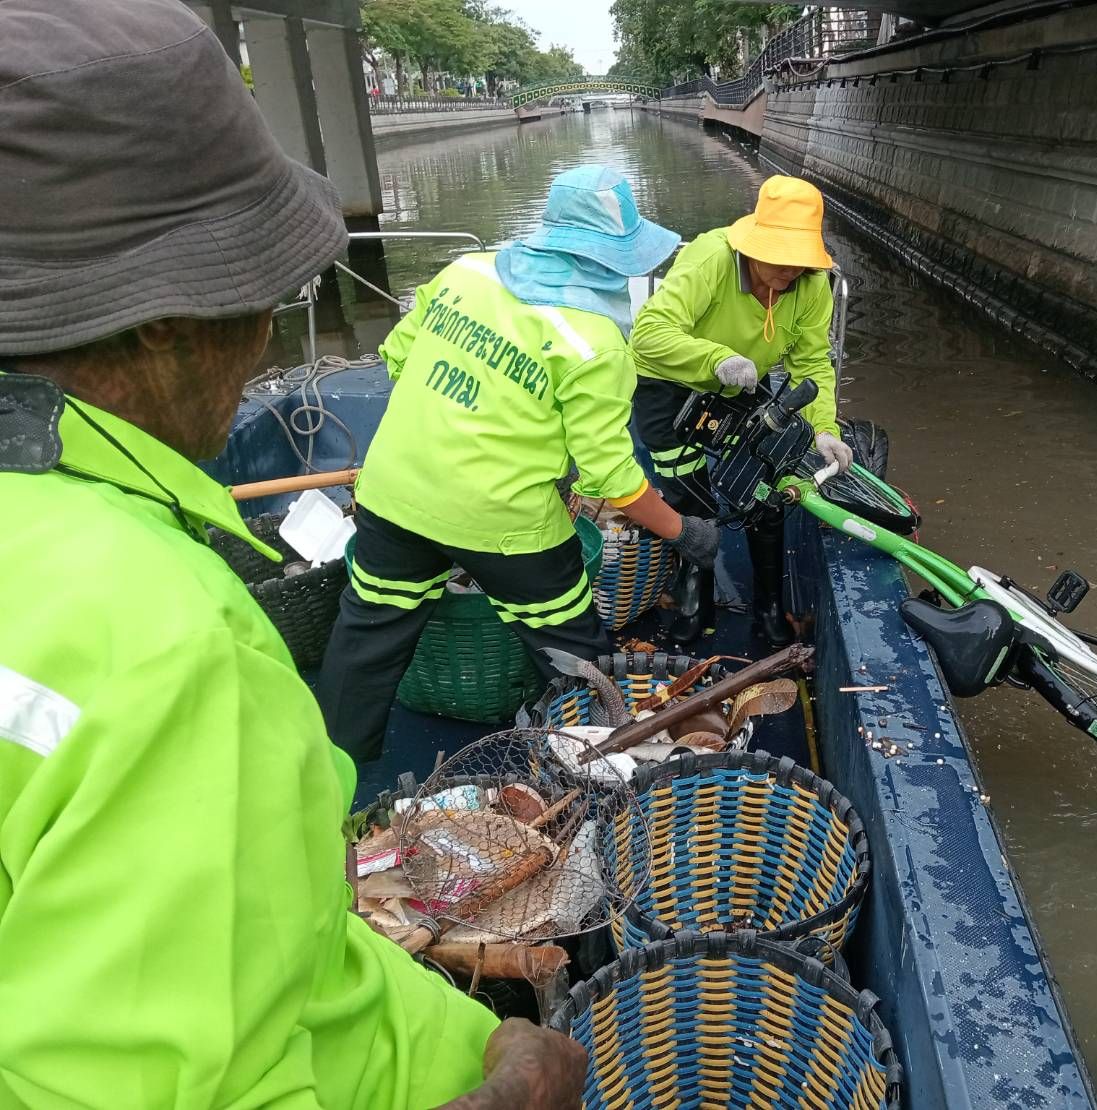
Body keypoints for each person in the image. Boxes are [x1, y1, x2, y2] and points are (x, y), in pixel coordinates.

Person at [0, 2, 583, 1106]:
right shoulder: (174, 648)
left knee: (371, 632)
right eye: (264, 289)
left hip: (396, 512)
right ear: (164, 321)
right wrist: (510, 1089)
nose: (271, 325)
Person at [316, 165, 716, 764]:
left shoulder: (464, 272)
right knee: (578, 654)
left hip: (393, 494)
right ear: (614, 261)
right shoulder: (595, 342)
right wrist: (685, 532)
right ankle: (609, 763)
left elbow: (398, 358)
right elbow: (612, 478)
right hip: (505, 525)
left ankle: (333, 777)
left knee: (367, 632)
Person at [630, 175, 853, 648]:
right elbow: (647, 334)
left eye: (800, 260)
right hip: (670, 382)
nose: (791, 270)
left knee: (766, 489)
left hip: (742, 384)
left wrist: (824, 429)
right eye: (780, 257)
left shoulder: (812, 284)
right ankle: (696, 599)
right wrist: (715, 358)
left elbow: (813, 362)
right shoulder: (711, 259)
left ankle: (769, 604)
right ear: (753, 244)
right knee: (690, 494)